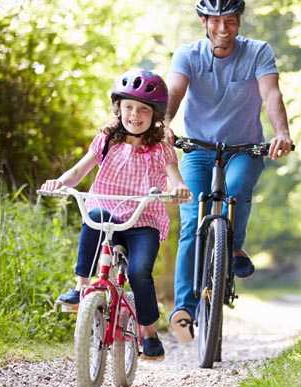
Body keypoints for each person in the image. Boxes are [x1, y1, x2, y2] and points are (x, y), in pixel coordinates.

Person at [165, 0, 293, 342]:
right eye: (216, 21)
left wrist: (281, 132)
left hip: (244, 149)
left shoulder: (258, 52)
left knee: (236, 190)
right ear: (204, 21)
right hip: (197, 149)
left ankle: (232, 246)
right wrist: (163, 123)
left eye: (231, 21)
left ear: (239, 22)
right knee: (192, 220)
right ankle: (184, 309)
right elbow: (174, 91)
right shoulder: (188, 55)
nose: (224, 29)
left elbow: (271, 94)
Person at [41, 69, 191, 360]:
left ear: (155, 114)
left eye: (143, 109)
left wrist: (180, 189)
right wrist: (59, 183)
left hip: (143, 221)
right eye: (128, 107)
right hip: (108, 213)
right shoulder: (107, 139)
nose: (135, 115)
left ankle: (149, 332)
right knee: (94, 214)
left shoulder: (161, 147)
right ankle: (82, 287)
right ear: (118, 108)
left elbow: (174, 177)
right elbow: (79, 170)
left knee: (138, 272)